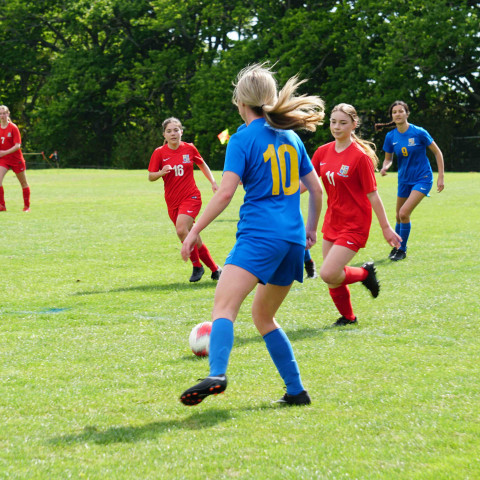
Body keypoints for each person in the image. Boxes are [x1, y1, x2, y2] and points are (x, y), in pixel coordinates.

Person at [179, 63, 325, 406]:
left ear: (240, 101)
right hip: (291, 242)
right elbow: (316, 191)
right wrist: (309, 231)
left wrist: (194, 230)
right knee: (263, 317)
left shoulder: (242, 139)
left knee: (224, 307)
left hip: (260, 237)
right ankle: (296, 391)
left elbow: (226, 192)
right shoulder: (291, 138)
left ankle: (217, 372)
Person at [310, 103, 401, 327]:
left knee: (328, 272)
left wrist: (387, 228)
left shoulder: (360, 157)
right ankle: (348, 318)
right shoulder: (322, 152)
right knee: (333, 279)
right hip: (332, 221)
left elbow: (373, 196)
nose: (337, 127)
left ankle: (364, 273)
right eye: (333, 122)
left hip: (355, 223)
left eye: (343, 122)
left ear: (354, 124)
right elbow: (306, 184)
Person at [148, 117, 222, 282]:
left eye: (176, 130)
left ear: (181, 131)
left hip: (191, 197)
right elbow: (151, 176)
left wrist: (213, 182)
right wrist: (161, 172)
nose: (173, 133)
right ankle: (215, 269)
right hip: (172, 202)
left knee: (182, 230)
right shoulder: (159, 152)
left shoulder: (189, 148)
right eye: (169, 131)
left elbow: (202, 164)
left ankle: (197, 266)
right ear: (164, 135)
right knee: (193, 237)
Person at [375, 100, 445, 261]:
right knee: (398, 216)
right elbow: (388, 159)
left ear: (407, 113)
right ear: (392, 116)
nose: (397, 114)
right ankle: (396, 248)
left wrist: (441, 176)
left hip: (423, 178)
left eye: (401, 111)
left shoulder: (419, 132)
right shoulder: (390, 136)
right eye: (394, 112)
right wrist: (385, 167)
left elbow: (437, 152)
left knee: (404, 213)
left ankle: (402, 250)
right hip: (404, 180)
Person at [0, 105, 30, 212]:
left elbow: (17, 145)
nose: (2, 115)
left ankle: (27, 207)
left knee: (23, 183)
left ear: (8, 114)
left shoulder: (13, 127)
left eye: (4, 113)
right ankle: (2, 206)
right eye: (0, 114)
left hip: (16, 159)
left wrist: (4, 152)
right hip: (4, 160)